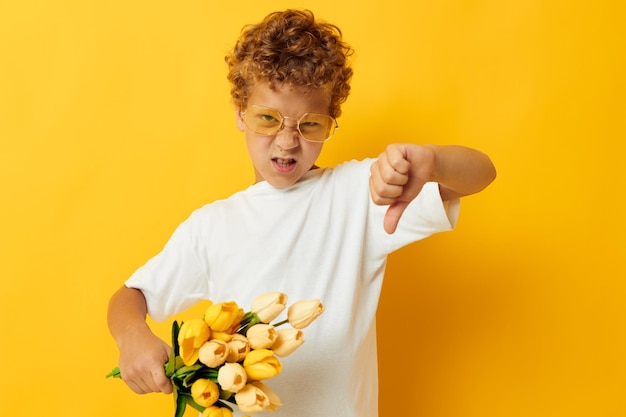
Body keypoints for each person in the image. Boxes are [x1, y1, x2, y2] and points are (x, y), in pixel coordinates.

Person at [107, 9, 496, 417]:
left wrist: (431, 162)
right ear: (241, 112)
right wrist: (131, 335)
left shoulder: (356, 194)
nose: (288, 141)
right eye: (268, 119)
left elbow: (481, 174)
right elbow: (129, 297)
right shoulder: (212, 226)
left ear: (331, 121)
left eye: (310, 125)